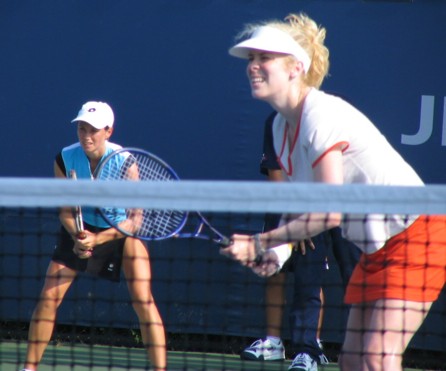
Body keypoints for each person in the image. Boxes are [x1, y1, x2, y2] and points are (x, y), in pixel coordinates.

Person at [222, 12, 446, 371]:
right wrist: (278, 253)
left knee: (377, 358)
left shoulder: (320, 115)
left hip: (418, 235)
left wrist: (261, 242)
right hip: (377, 248)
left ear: (295, 67)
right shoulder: (281, 127)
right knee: (354, 361)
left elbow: (329, 212)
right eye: (251, 59)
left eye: (264, 58)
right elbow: (301, 206)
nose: (253, 66)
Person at [21, 101, 167, 371]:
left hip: (120, 232)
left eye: (94, 130)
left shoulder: (125, 161)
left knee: (143, 300)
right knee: (48, 298)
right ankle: (29, 368)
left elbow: (135, 220)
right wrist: (77, 235)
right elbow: (65, 210)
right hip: (82, 227)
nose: (86, 135)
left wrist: (99, 240)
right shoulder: (64, 159)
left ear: (108, 131)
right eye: (82, 129)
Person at [241, 112, 360, 367]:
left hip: (322, 208)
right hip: (284, 206)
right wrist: (294, 216)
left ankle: (312, 345)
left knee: (312, 275)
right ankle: (273, 342)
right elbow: (275, 173)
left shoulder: (326, 118)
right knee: (274, 271)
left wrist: (307, 221)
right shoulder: (273, 121)